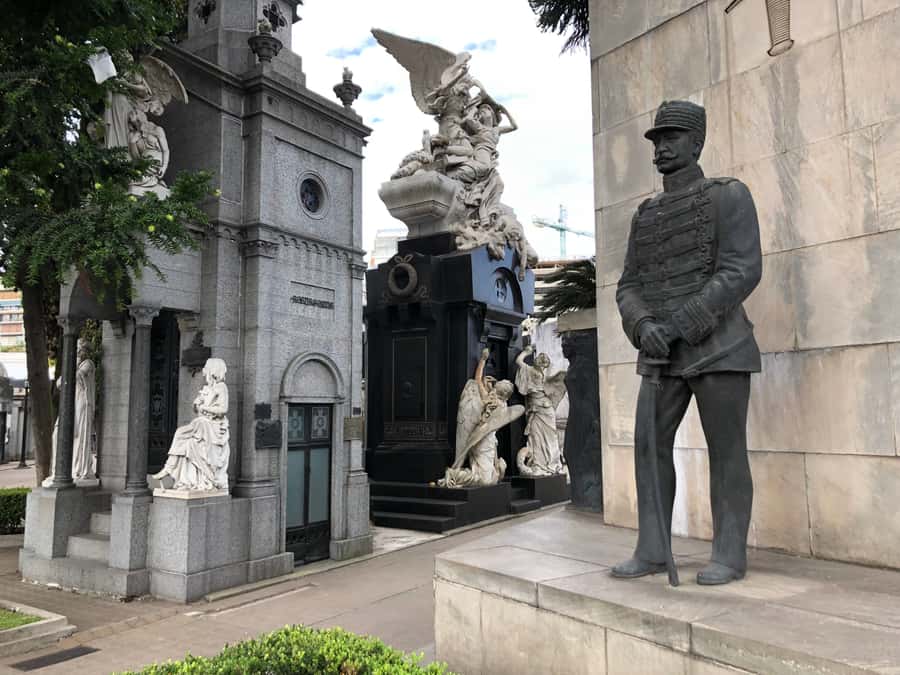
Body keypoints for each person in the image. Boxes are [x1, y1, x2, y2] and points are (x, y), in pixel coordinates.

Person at [612, 100, 762, 585]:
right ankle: (653, 547)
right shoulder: (645, 214)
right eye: (656, 140)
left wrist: (681, 323)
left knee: (726, 451)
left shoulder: (729, 196)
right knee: (647, 447)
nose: (661, 147)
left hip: (719, 347)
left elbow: (741, 269)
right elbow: (628, 285)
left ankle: (729, 553)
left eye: (671, 137)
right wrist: (643, 326)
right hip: (659, 354)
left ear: (696, 143)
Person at [153, 358, 230, 491]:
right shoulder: (207, 388)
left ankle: (168, 468)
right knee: (188, 444)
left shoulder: (221, 387)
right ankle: (182, 476)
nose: (204, 372)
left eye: (206, 368)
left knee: (181, 433)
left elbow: (223, 409)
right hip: (203, 423)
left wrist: (205, 408)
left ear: (213, 370)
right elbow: (198, 410)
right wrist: (197, 404)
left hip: (212, 426)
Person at [515, 345, 565, 476]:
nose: (542, 365)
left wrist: (526, 352)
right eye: (541, 362)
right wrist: (526, 352)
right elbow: (519, 362)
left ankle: (551, 463)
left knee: (548, 436)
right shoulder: (530, 370)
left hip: (544, 409)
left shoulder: (540, 374)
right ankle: (540, 464)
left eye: (544, 364)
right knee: (537, 436)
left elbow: (519, 361)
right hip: (538, 408)